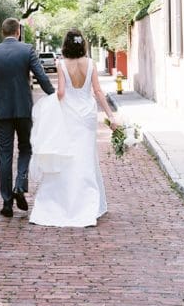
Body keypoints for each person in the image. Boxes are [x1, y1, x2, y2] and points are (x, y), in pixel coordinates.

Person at [28, 29, 120, 227]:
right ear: (83, 44)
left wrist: (50, 106)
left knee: (67, 155)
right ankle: (87, 205)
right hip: (87, 115)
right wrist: (111, 116)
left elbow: (61, 92)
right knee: (86, 157)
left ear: (66, 45)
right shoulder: (91, 64)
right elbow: (97, 91)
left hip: (69, 114)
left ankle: (61, 202)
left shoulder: (61, 64)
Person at [0, 17, 56, 218]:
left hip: (1, 113)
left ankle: (7, 202)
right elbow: (41, 76)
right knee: (26, 148)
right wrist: (55, 97)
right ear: (18, 32)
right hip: (23, 110)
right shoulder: (27, 50)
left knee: (4, 155)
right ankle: (20, 185)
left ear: (2, 32)